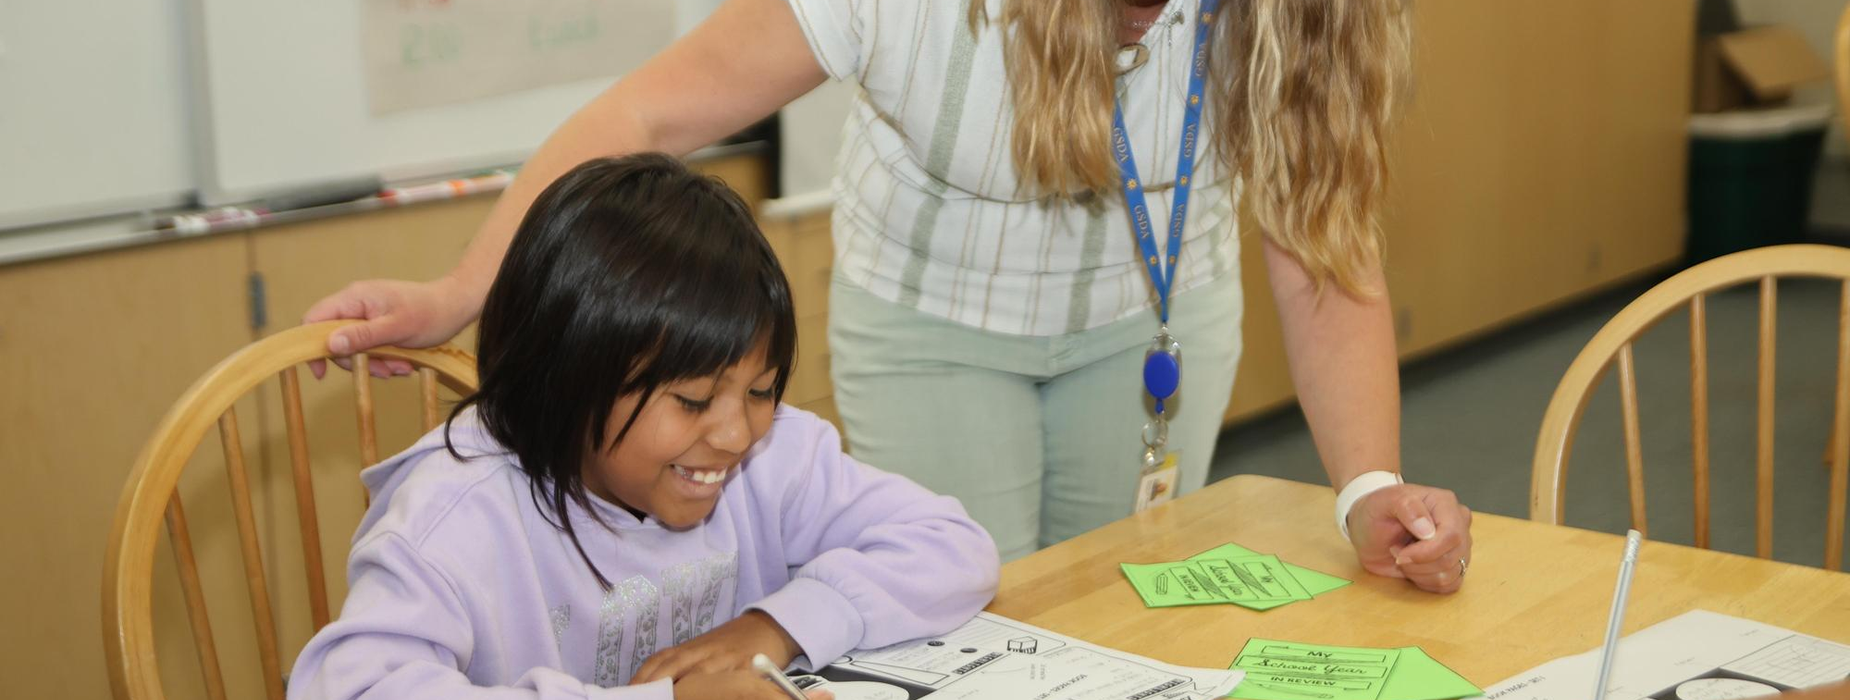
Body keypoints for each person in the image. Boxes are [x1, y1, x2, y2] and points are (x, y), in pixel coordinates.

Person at [306, 0, 1473, 592]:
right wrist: (464, 290)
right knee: (963, 614)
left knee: (1127, 632)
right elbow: (643, 119)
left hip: (1154, 330)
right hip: (933, 327)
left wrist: (1364, 490)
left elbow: (1321, 242)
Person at [288, 155, 1000, 700]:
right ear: (567, 378)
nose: (734, 433)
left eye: (760, 388)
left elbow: (954, 547)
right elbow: (350, 685)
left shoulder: (773, 455)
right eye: (692, 401)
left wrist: (778, 626)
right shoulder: (457, 516)